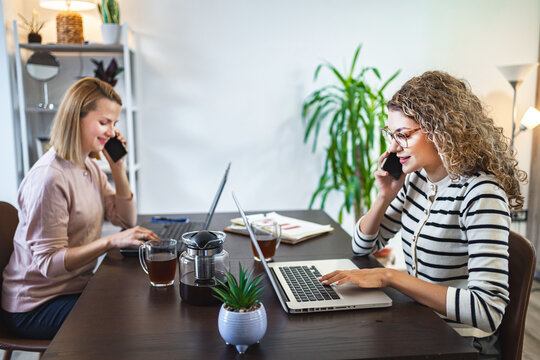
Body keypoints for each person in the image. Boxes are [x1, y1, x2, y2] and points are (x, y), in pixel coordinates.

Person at [319, 71, 527, 359]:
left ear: (444, 130)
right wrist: (383, 197)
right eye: (391, 135)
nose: (393, 147)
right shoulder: (417, 180)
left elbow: (486, 311)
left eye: (403, 135)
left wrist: (391, 277)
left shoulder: (481, 193)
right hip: (425, 326)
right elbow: (361, 246)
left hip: (464, 345)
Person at [1, 78, 158, 340]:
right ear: (76, 117)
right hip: (35, 306)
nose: (111, 131)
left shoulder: (88, 166)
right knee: (128, 315)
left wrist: (119, 169)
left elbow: (125, 219)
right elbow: (49, 264)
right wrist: (110, 241)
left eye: (114, 124)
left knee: (136, 299)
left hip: (71, 289)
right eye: (104, 122)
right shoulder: (50, 177)